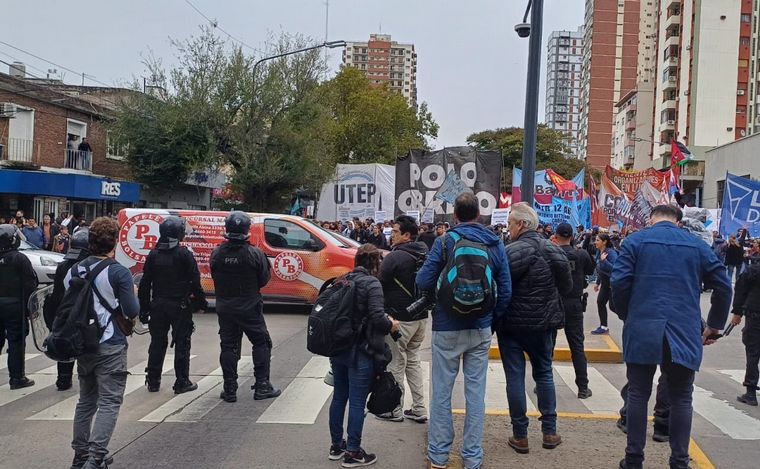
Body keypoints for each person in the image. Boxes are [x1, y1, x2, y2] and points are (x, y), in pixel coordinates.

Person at [611, 205, 732, 469]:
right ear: (678, 221)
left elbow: (618, 283)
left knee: (638, 393)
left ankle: (633, 459)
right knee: (681, 397)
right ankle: (679, 461)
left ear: (651, 219)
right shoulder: (695, 244)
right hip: (684, 328)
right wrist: (714, 324)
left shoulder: (635, 241)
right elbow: (723, 284)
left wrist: (626, 313)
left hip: (642, 325)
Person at [416, 192, 511, 469]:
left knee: (442, 394)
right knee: (475, 395)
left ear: (455, 216)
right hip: (480, 326)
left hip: (446, 326)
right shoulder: (495, 243)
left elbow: (423, 280)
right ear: (479, 215)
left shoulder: (445, 241)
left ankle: (439, 457)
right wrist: (491, 320)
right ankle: (472, 458)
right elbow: (505, 291)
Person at [496, 202, 572, 454]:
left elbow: (501, 286)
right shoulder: (555, 250)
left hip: (512, 326)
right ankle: (549, 432)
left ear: (521, 224)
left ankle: (520, 435)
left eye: (509, 224)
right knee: (545, 374)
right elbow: (567, 287)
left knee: (515, 378)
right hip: (544, 325)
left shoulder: (510, 251)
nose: (508, 228)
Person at [67, 217, 139, 469]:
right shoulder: (118, 271)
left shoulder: (74, 270)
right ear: (115, 241)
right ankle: (96, 457)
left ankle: (81, 454)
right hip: (110, 342)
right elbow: (132, 310)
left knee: (86, 400)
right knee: (109, 400)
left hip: (83, 343)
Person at [328, 244, 399, 467]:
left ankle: (337, 446)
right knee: (357, 402)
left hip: (338, 348)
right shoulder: (372, 284)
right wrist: (392, 325)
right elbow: (378, 317)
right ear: (376, 263)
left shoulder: (342, 279)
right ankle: (353, 452)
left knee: (339, 397)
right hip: (360, 350)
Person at [210, 211, 280, 402]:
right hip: (249, 307)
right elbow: (263, 280)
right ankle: (262, 386)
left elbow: (215, 276)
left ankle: (229, 389)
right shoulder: (254, 254)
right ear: (246, 230)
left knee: (228, 346)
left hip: (226, 307)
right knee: (262, 343)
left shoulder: (217, 254)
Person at [139, 216, 207, 394]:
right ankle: (181, 381)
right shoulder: (184, 254)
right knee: (182, 344)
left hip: (158, 305)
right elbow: (195, 281)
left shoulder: (154, 255)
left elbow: (145, 283)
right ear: (179, 234)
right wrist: (201, 302)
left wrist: (144, 308)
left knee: (157, 343)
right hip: (179, 306)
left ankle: (153, 380)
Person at [376, 215, 429, 423]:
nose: (392, 235)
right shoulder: (425, 253)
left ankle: (394, 409)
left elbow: (379, 283)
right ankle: (419, 408)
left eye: (396, 231)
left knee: (396, 363)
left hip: (399, 319)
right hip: (421, 317)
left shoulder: (395, 257)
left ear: (407, 235)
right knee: (413, 362)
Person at [42, 228, 90, 391]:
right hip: (81, 311)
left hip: (63, 311)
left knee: (65, 344)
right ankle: (82, 380)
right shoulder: (87, 266)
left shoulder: (63, 265)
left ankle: (63, 379)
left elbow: (56, 293)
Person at [554, 223, 595, 399]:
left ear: (556, 236)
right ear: (571, 236)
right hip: (574, 303)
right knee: (577, 346)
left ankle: (543, 383)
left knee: (548, 343)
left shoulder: (552, 253)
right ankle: (583, 387)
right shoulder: (581, 254)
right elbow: (591, 270)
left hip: (554, 302)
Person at [0, 224, 38, 389]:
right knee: (16, 341)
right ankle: (17, 378)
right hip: (15, 305)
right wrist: (32, 308)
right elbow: (31, 284)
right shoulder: (19, 258)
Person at [730, 258, 760, 407]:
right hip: (754, 313)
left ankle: (751, 392)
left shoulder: (753, 270)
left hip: (755, 315)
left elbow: (740, 291)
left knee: (753, 353)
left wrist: (737, 312)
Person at [591, 233, 618, 335]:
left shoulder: (611, 253)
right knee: (600, 302)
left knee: (613, 306)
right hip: (605, 283)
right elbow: (600, 269)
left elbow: (616, 268)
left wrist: (605, 261)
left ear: (604, 242)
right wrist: (598, 283)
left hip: (612, 283)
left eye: (597, 240)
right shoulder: (599, 252)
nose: (595, 242)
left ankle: (628, 319)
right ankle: (603, 326)